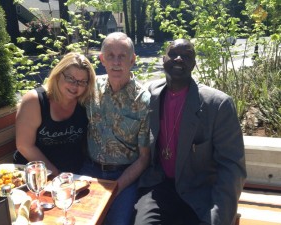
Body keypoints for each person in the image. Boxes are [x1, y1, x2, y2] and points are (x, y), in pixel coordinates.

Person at [133, 39, 247, 225]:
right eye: (173, 54)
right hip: (159, 187)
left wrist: (219, 218)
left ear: (194, 64)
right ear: (163, 59)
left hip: (199, 193)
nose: (179, 59)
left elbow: (232, 168)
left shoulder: (217, 105)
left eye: (186, 56)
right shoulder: (151, 93)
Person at [81, 32, 151, 225]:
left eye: (122, 56)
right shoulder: (91, 89)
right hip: (89, 171)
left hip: (124, 176)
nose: (116, 62)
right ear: (102, 59)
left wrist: (117, 187)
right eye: (110, 55)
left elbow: (145, 157)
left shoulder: (143, 100)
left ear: (133, 59)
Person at [14, 52, 96, 176]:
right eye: (70, 78)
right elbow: (24, 145)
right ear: (58, 75)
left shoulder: (85, 102)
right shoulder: (34, 101)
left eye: (82, 82)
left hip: (76, 175)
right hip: (36, 175)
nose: (75, 86)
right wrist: (55, 174)